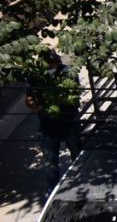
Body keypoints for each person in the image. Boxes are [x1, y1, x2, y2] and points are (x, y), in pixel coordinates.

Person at [26, 52, 81, 188]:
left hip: (69, 123)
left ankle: (80, 185)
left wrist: (50, 99)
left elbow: (73, 95)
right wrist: (33, 104)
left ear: (57, 62)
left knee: (78, 158)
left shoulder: (68, 73)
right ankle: (52, 192)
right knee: (50, 164)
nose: (50, 69)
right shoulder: (36, 77)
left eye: (52, 65)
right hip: (48, 127)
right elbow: (29, 98)